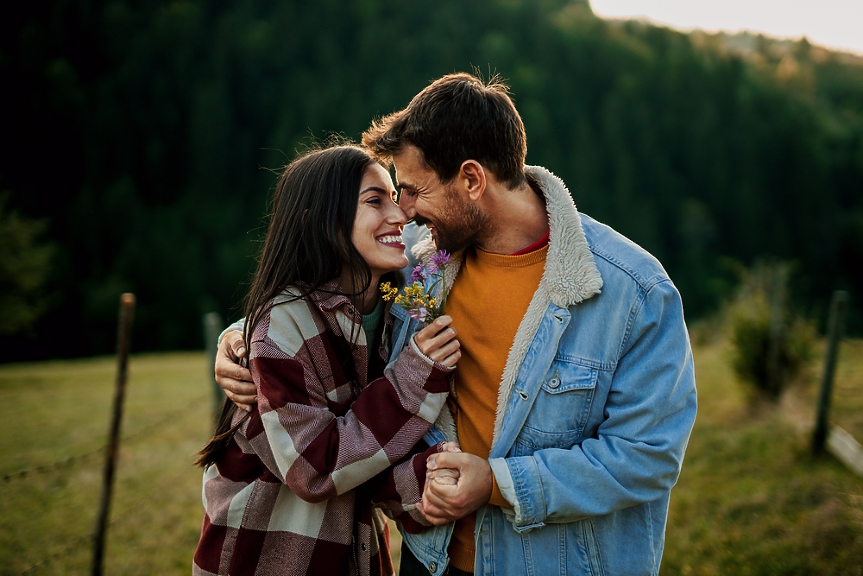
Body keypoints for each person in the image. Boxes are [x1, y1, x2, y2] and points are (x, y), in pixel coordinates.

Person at [217, 73, 697, 576]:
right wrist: (240, 339)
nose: (404, 212)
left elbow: (648, 456)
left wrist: (496, 483)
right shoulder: (419, 267)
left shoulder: (633, 291)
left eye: (412, 190)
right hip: (434, 561)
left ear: (471, 180)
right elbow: (324, 299)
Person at [193, 144, 464, 576]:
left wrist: (429, 480)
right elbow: (314, 467)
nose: (399, 215)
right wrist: (413, 379)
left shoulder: (400, 315)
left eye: (394, 198)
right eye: (375, 201)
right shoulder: (279, 327)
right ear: (322, 220)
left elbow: (369, 455)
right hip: (264, 559)